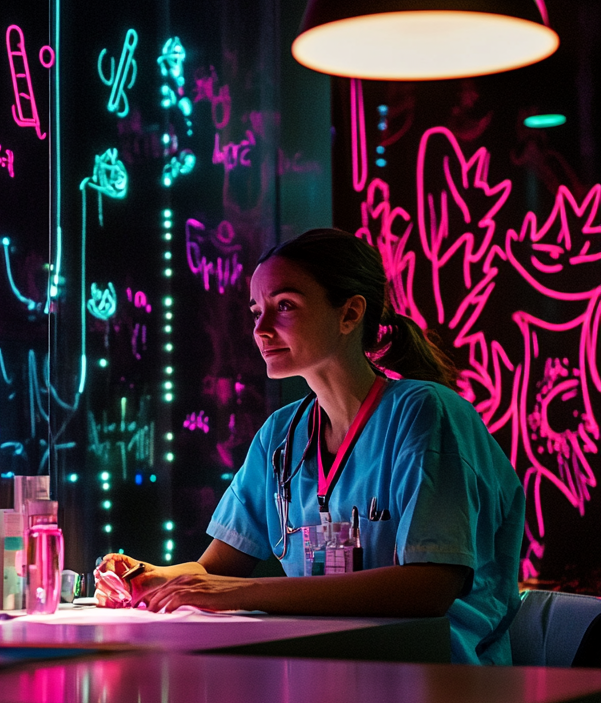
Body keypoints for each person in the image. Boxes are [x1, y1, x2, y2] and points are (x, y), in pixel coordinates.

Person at [95, 229, 525, 665]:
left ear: (349, 313)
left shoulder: (426, 413)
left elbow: (429, 589)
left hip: (440, 685)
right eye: (257, 310)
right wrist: (147, 576)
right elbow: (216, 569)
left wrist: (239, 593)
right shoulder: (280, 434)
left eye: (284, 307)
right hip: (327, 673)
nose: (261, 329)